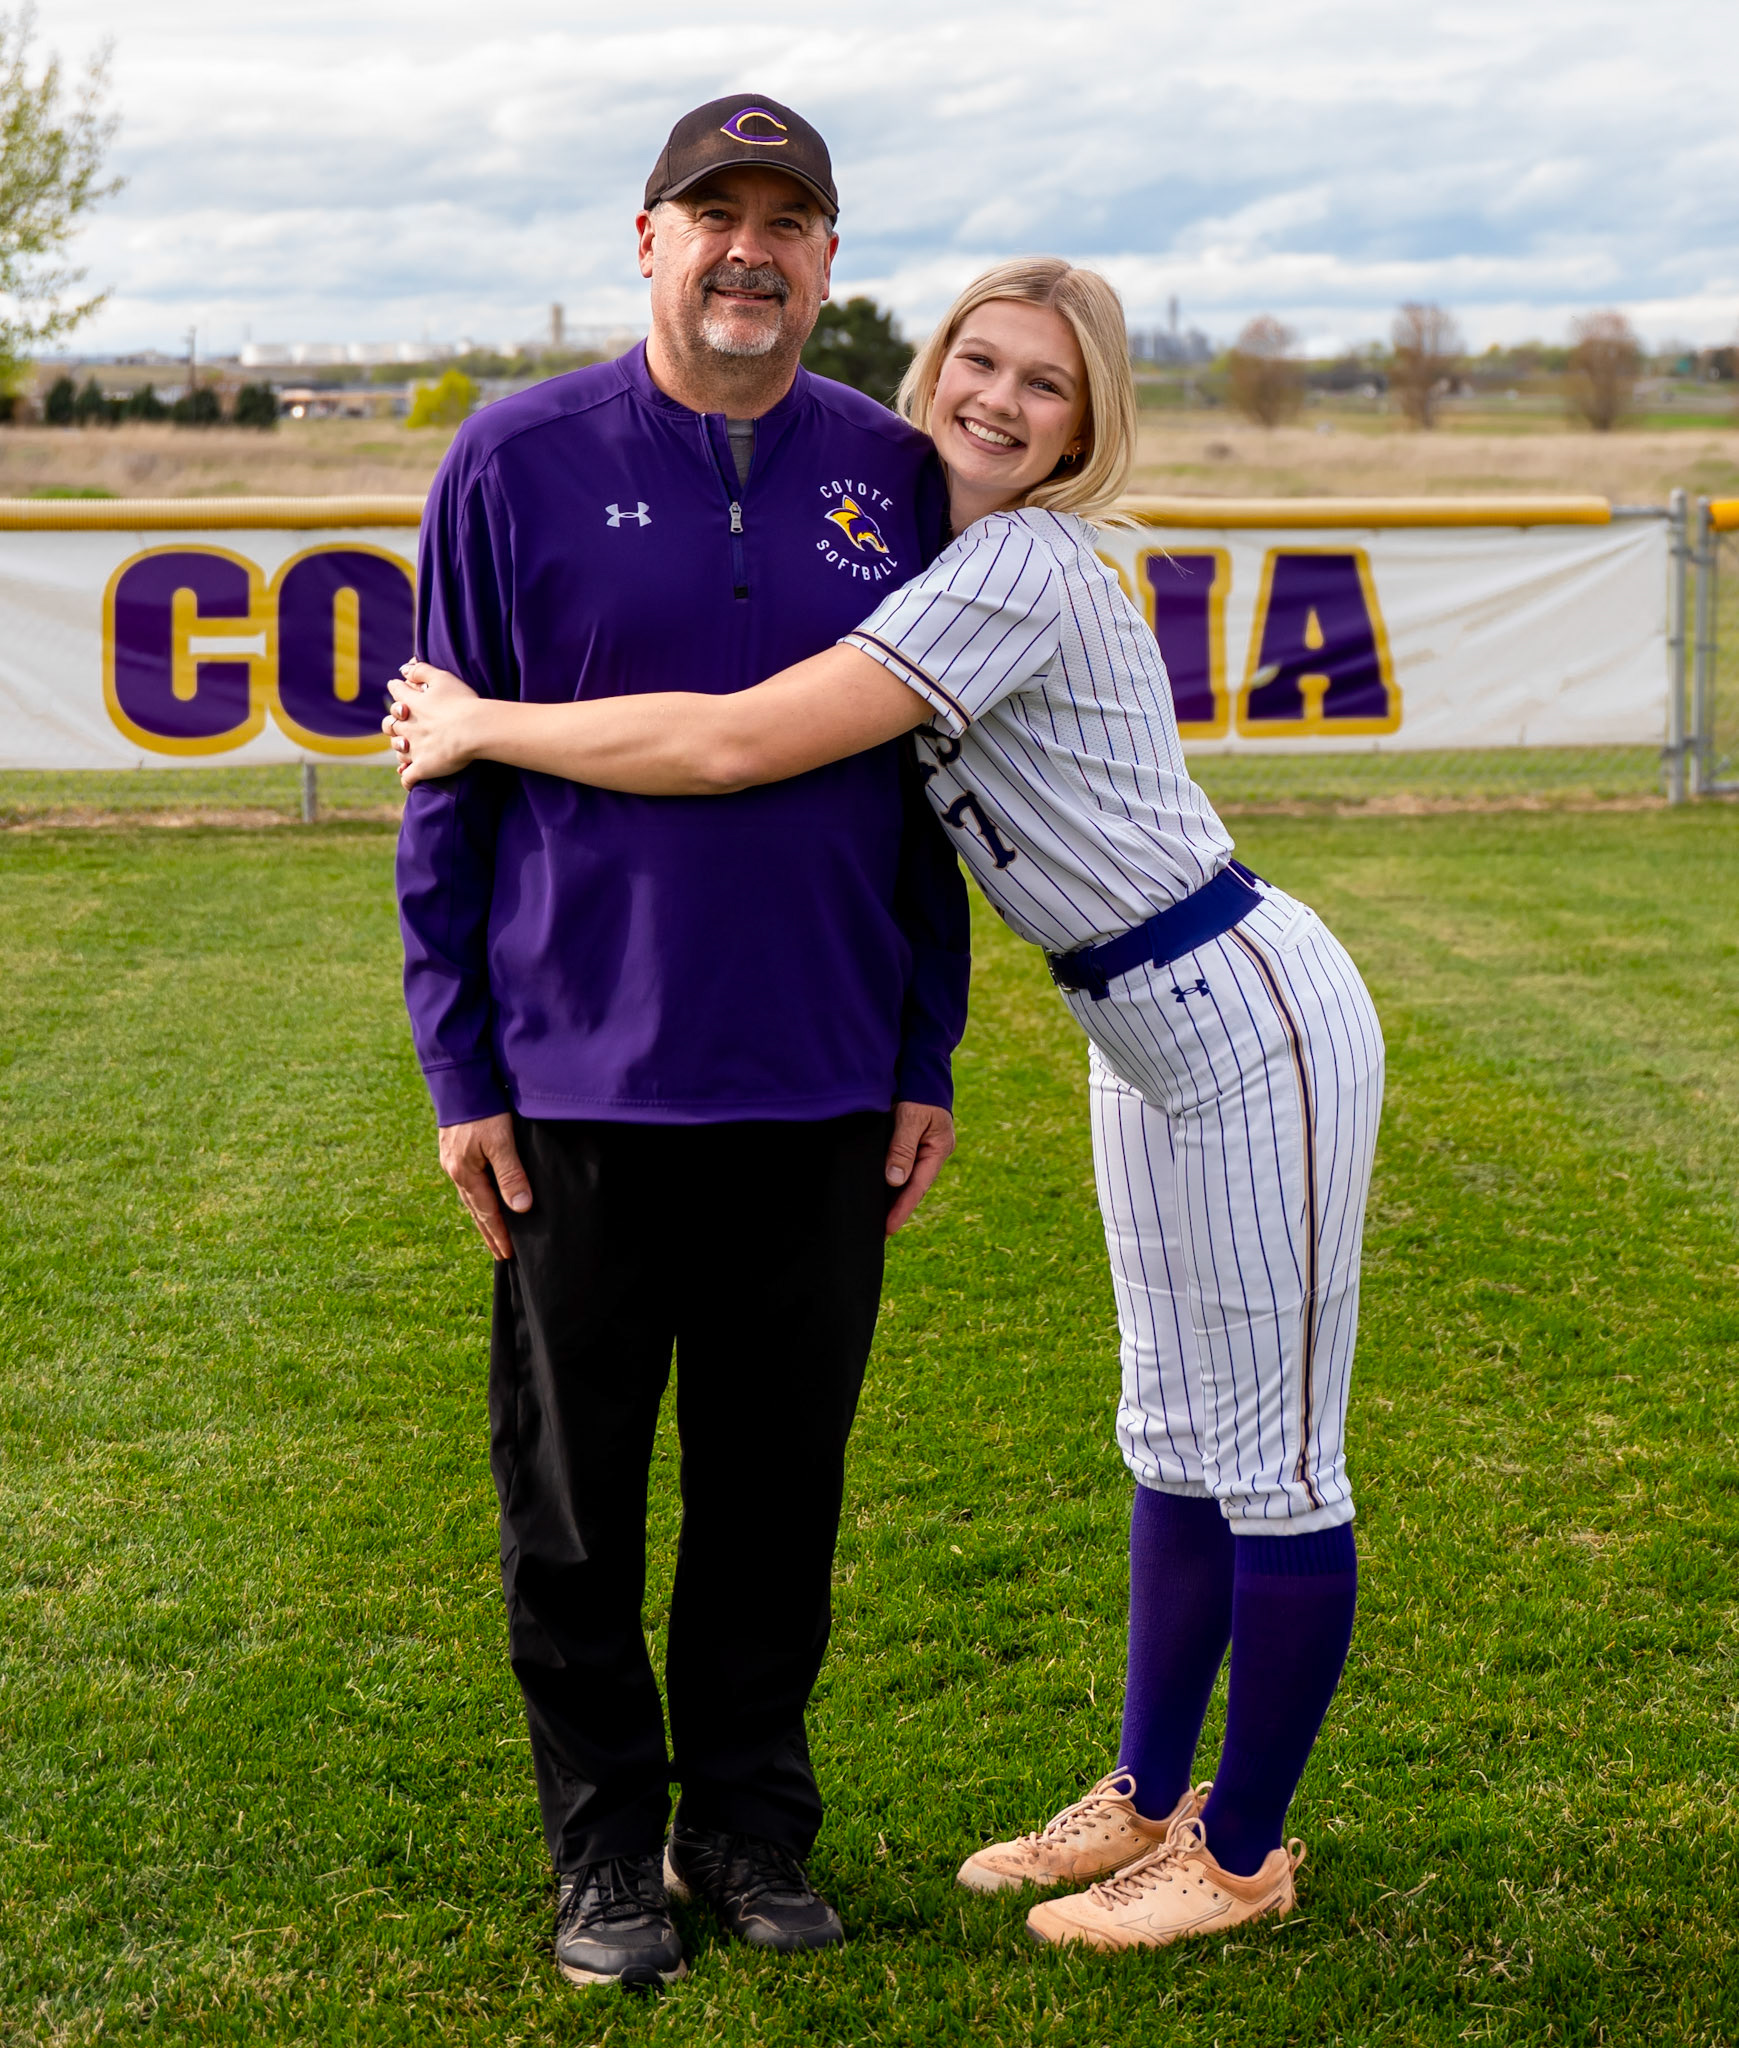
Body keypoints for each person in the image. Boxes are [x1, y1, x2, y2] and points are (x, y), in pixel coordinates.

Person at [387, 255, 1386, 1954]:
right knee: (1171, 1433)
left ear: (1089, 424)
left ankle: (1241, 1852)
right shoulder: (929, 539)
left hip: (1246, 1014)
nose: (1000, 400)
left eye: (1047, 383)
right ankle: (1150, 1794)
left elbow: (733, 745)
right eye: (978, 361)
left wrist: (488, 723)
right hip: (1136, 1022)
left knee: (1275, 1459)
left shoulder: (1014, 561)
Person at [393, 93, 970, 1991]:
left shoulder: (895, 473)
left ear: (830, 257)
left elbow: (929, 795)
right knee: (573, 1510)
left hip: (819, 1073)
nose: (749, 249)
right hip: (580, 1081)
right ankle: (602, 1856)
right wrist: (462, 1071)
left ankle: (746, 1825)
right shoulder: (513, 459)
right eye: (713, 212)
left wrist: (925, 1048)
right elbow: (443, 782)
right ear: (646, 238)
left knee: (775, 1495)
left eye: (786, 220)